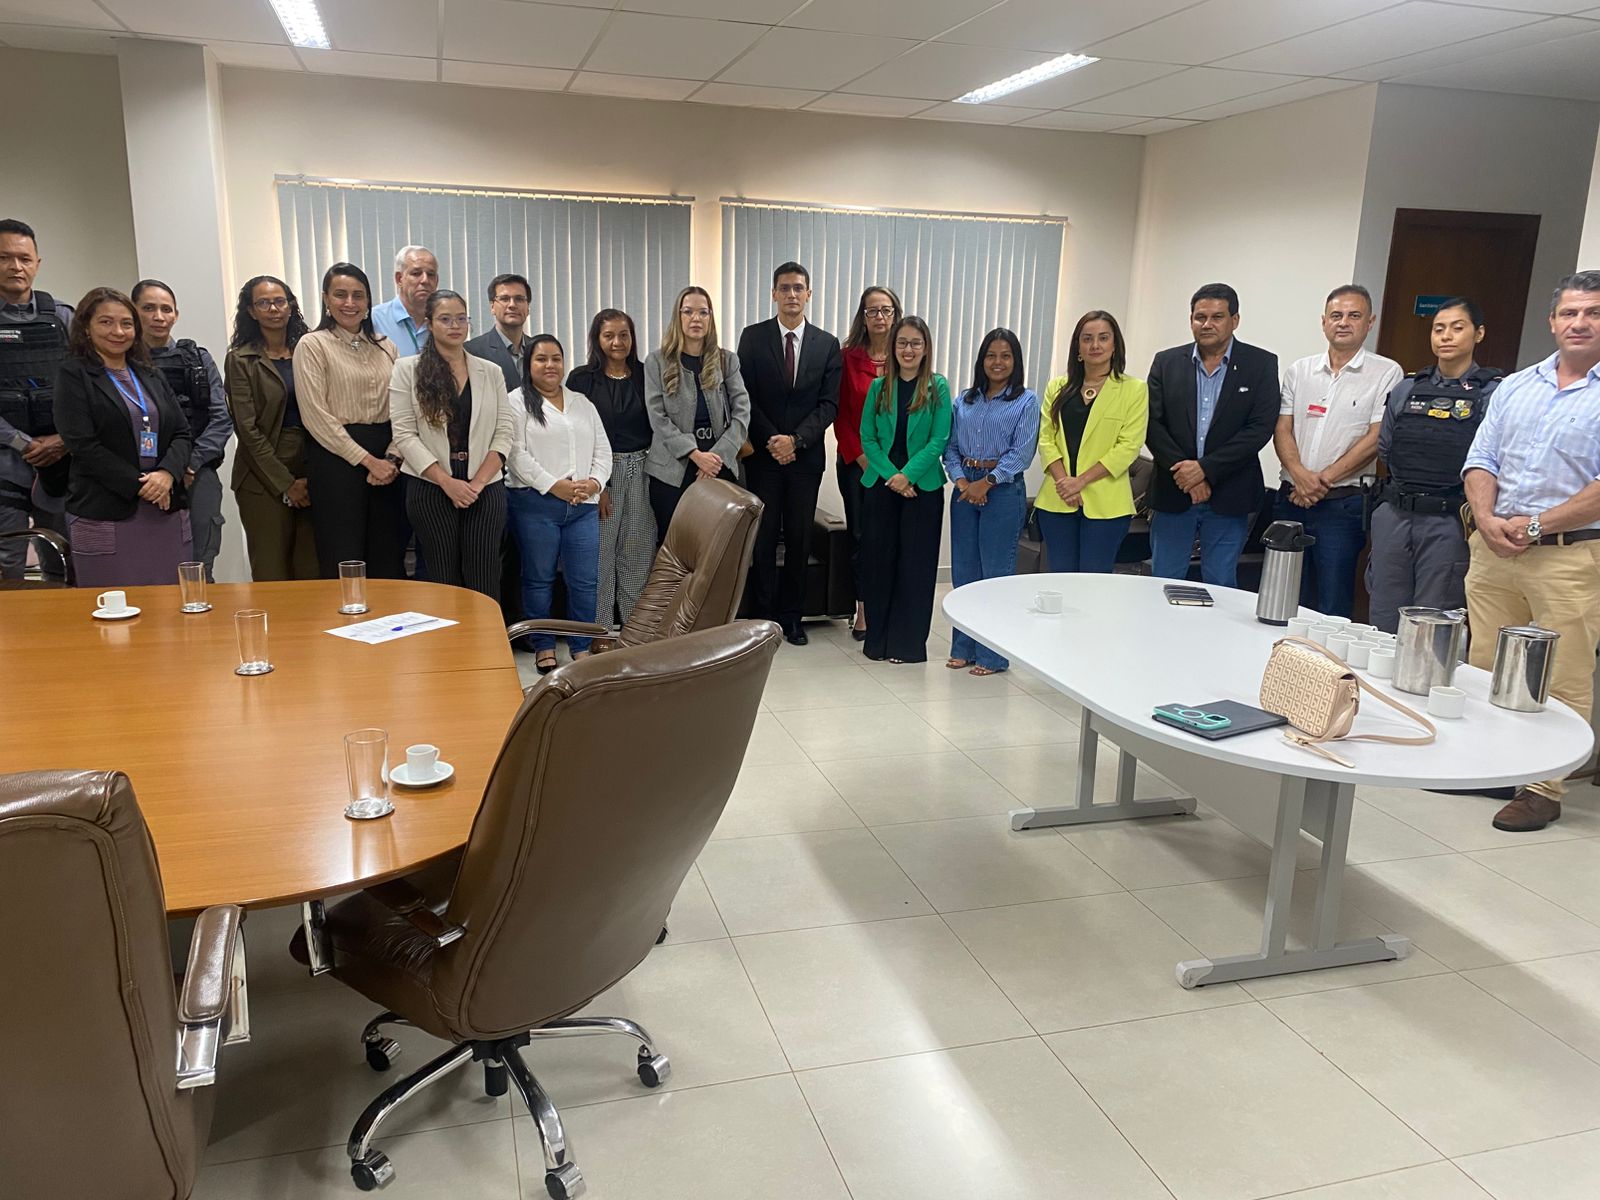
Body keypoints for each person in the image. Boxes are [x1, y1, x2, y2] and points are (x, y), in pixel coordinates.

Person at [1462, 270, 1600, 833]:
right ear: (1552, 321)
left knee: (1563, 673)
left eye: (1592, 313)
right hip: (1495, 548)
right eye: (1570, 313)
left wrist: (1537, 526)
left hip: (1568, 556)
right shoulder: (1517, 385)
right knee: (1484, 664)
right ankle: (1491, 767)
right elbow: (1480, 459)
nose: (1580, 322)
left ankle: (1543, 787)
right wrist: (1489, 521)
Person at [1367, 297, 1502, 632]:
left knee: (1434, 619)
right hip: (1396, 513)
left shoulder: (1493, 393)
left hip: (1449, 519)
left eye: (1458, 328)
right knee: (1384, 614)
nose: (1446, 336)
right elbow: (1387, 447)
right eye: (1439, 329)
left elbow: (1493, 457)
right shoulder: (1408, 388)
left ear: (1478, 334)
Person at [1273, 285, 1403, 617]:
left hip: (1341, 505)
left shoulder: (1386, 372)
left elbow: (1375, 438)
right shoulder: (1299, 370)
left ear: (1370, 322)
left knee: (1332, 601)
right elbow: (1282, 428)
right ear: (1323, 322)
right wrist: (1301, 479)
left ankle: (1327, 668)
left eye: (1353, 315)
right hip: (1291, 500)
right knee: (1282, 596)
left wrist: (1320, 482)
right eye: (1336, 315)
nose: (1343, 322)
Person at [52, 287, 192, 587]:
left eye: (126, 323)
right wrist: (141, 484)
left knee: (171, 612)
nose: (118, 331)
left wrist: (167, 473)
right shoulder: (73, 374)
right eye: (105, 322)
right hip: (106, 510)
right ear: (86, 328)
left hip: (164, 509)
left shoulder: (149, 374)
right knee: (114, 615)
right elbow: (82, 444)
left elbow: (181, 432)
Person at [1146, 283, 1280, 587]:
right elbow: (1152, 425)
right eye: (1199, 317)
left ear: (1235, 320)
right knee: (1162, 583)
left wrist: (1204, 470)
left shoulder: (1260, 364)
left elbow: (1259, 428)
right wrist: (1187, 474)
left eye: (1217, 317)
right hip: (1173, 491)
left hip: (1229, 494)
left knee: (1220, 585)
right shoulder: (1166, 362)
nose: (1207, 324)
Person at [738, 261, 843, 645]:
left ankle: (792, 618)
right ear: (774, 294)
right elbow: (744, 397)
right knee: (763, 539)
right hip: (763, 459)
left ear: (808, 294)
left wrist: (795, 441)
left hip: (805, 459)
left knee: (799, 540)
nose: (792, 295)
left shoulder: (827, 344)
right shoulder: (752, 338)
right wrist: (773, 440)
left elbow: (829, 405)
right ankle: (764, 620)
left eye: (799, 288)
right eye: (785, 288)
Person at [390, 290, 513, 599]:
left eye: (461, 318)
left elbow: (505, 432)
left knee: (485, 578)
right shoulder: (408, 370)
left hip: (484, 485)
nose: (455, 325)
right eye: (445, 319)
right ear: (429, 324)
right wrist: (447, 483)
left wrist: (477, 482)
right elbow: (404, 435)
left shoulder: (490, 371)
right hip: (431, 484)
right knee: (444, 581)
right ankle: (451, 648)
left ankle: (485, 647)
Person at [507, 334, 611, 674]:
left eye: (556, 358)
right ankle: (544, 645)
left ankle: (580, 645)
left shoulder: (582, 402)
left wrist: (595, 482)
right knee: (539, 578)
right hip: (535, 503)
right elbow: (515, 455)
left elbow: (602, 450)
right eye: (541, 359)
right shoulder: (516, 402)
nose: (550, 365)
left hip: (583, 505)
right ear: (529, 364)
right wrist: (555, 487)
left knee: (584, 580)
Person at [294, 262, 405, 578]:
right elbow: (316, 416)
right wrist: (370, 462)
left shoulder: (386, 347)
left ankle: (389, 626)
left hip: (388, 462)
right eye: (340, 295)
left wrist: (393, 458)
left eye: (358, 295)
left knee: (387, 555)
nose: (350, 303)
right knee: (343, 556)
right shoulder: (313, 345)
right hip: (336, 460)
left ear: (368, 302)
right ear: (326, 299)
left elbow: (403, 410)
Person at [943, 328, 1040, 676]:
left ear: (1015, 362)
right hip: (964, 489)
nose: (997, 363)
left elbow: (1022, 453)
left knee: (995, 576)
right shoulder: (964, 401)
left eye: (1005, 356)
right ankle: (963, 648)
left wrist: (986, 482)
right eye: (991, 356)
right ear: (981, 360)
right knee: (965, 574)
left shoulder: (1026, 401)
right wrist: (963, 482)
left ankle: (993, 656)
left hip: (1002, 492)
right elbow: (950, 447)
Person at [859, 315, 951, 665]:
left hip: (922, 487)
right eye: (902, 343)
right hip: (882, 484)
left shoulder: (938, 387)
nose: (908, 349)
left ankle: (907, 645)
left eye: (915, 343)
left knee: (916, 567)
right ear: (892, 347)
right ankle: (877, 642)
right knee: (880, 564)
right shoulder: (878, 388)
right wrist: (892, 476)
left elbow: (939, 439)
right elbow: (867, 437)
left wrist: (908, 476)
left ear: (925, 348)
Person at [132, 280, 233, 582]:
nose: (158, 316)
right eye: (148, 308)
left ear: (176, 314)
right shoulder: (123, 364)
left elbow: (221, 418)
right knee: (151, 569)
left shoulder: (198, 360)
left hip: (196, 473)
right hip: (144, 478)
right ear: (134, 313)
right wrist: (161, 472)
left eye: (166, 309)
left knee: (201, 567)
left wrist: (187, 466)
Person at [1036, 310, 1148, 575]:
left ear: (1114, 345)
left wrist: (1080, 481)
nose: (1094, 345)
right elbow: (1046, 439)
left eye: (1103, 338)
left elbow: (1128, 446)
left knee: (1093, 580)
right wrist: (1066, 484)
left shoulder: (1134, 389)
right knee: (1060, 578)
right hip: (1057, 499)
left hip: (1106, 505)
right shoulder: (1058, 387)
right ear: (1078, 346)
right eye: (1087, 338)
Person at [225, 275, 319, 581]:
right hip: (262, 475)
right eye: (263, 303)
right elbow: (247, 431)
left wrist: (308, 477)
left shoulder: (309, 350)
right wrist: (285, 483)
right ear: (251, 311)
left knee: (312, 569)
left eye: (279, 301)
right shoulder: (241, 360)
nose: (273, 309)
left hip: (311, 466)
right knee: (272, 571)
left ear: (291, 306)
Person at [567, 308, 653, 625]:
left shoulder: (648, 374)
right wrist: (597, 485)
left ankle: (634, 630)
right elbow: (576, 436)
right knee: (601, 557)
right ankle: (600, 630)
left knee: (638, 555)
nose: (617, 342)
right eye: (609, 335)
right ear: (597, 339)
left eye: (624, 334)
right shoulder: (581, 380)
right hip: (603, 473)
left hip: (644, 471)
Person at [644, 286, 749, 540]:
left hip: (718, 464)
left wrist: (715, 457)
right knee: (676, 548)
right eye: (688, 312)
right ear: (678, 317)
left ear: (710, 318)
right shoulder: (657, 361)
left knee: (717, 550)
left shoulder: (726, 360)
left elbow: (742, 412)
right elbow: (657, 417)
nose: (696, 319)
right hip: (672, 470)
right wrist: (694, 454)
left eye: (703, 312)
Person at [0, 218, 74, 579]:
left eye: (24, 258)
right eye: (4, 257)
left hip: (63, 462)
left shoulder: (63, 317)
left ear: (37, 263)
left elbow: (92, 388)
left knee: (65, 563)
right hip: (5, 465)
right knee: (7, 569)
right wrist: (23, 443)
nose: (16, 267)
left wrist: (64, 441)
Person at [836, 285, 901, 642]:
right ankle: (862, 608)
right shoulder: (847, 358)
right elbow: (841, 415)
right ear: (863, 316)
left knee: (891, 537)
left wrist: (892, 466)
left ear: (896, 314)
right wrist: (864, 460)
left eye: (886, 310)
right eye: (872, 310)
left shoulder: (907, 356)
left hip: (898, 469)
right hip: (857, 466)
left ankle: (889, 606)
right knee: (861, 536)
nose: (879, 317)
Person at [465, 273, 532, 393]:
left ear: (528, 308)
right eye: (504, 299)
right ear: (492, 307)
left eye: (519, 299)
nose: (512, 305)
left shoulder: (538, 349)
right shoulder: (472, 351)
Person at [370, 245, 438, 358]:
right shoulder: (374, 320)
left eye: (431, 274)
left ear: (436, 281)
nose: (425, 280)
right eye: (416, 273)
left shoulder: (443, 321)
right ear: (399, 279)